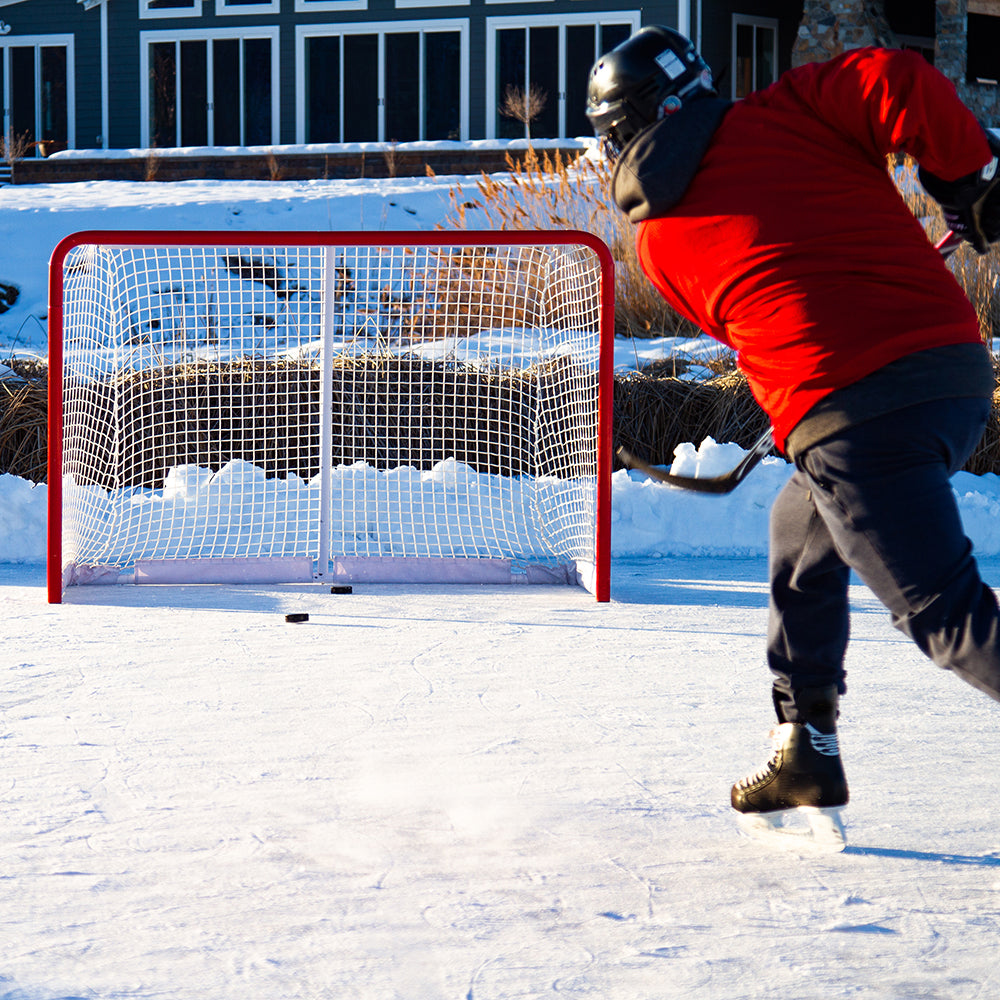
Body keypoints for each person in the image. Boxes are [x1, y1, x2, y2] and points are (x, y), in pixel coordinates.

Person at [586, 26, 1000, 847]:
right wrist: (970, 179)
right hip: (952, 373)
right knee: (799, 533)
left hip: (855, 414)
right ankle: (804, 746)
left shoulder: (658, 243)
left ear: (619, 137)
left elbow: (760, 312)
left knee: (944, 615)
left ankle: (808, 740)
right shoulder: (799, 108)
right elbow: (899, 77)